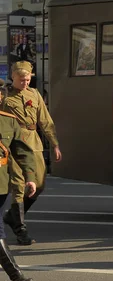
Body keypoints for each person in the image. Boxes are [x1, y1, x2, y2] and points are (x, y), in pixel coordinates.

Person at [2, 61, 62, 245]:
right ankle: (21, 230)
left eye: (28, 79)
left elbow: (45, 121)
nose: (25, 83)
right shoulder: (4, 95)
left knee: (39, 184)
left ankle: (13, 216)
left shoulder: (34, 94)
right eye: (21, 80)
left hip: (33, 143)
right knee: (19, 186)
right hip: (12, 143)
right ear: (13, 77)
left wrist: (55, 144)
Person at [0, 77, 37, 281]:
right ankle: (18, 277)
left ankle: (18, 278)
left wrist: (30, 176)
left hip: (1, 184)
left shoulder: (8, 121)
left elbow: (22, 150)